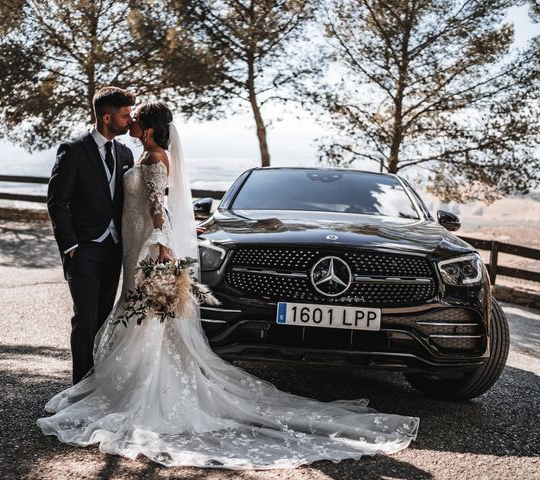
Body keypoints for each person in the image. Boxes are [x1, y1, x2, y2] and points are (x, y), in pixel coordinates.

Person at [38, 101, 419, 469]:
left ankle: (139, 389)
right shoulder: (131, 154)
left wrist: (164, 246)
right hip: (128, 246)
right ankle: (107, 384)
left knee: (147, 322)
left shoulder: (153, 159)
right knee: (124, 319)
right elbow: (151, 204)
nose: (130, 122)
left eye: (135, 118)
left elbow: (157, 207)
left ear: (149, 129)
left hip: (149, 248)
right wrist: (183, 227)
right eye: (127, 116)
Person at [47, 86, 135, 385]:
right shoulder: (73, 149)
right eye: (124, 116)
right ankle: (79, 388)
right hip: (83, 249)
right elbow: (57, 202)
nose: (129, 121)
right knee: (84, 320)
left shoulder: (125, 153)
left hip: (113, 249)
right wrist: (71, 245)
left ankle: (96, 384)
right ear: (106, 117)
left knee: (102, 320)